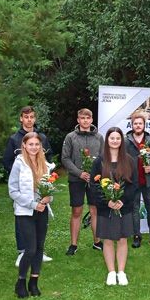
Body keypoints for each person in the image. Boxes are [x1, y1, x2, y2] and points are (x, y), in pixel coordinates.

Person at [2, 106, 54, 266]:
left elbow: (49, 158)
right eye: (26, 117)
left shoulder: (42, 138)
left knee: (40, 216)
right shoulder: (14, 139)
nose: (29, 119)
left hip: (39, 185)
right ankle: (22, 251)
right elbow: (7, 161)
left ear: (35, 118)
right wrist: (20, 176)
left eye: (32, 117)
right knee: (22, 217)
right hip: (22, 186)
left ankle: (39, 250)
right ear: (21, 119)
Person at [8, 132, 55, 298]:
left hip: (42, 211)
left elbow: (49, 188)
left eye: (37, 144)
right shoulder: (19, 163)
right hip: (25, 211)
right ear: (24, 146)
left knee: (40, 248)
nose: (34, 147)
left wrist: (48, 197)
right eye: (31, 144)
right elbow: (13, 191)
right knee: (30, 249)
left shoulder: (46, 165)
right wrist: (33, 204)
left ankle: (33, 281)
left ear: (41, 146)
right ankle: (20, 281)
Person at [91, 127, 137, 286]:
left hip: (124, 207)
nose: (115, 141)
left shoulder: (130, 160)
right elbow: (94, 185)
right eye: (112, 138)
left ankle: (121, 272)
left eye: (118, 138)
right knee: (108, 240)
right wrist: (107, 201)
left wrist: (122, 200)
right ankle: (111, 272)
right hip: (106, 207)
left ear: (121, 141)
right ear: (107, 140)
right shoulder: (100, 161)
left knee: (123, 239)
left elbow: (133, 185)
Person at [61, 108, 104, 255]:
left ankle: (97, 242)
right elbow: (65, 158)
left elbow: (103, 158)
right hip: (76, 179)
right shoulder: (70, 137)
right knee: (77, 211)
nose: (85, 121)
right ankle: (73, 245)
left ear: (92, 120)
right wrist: (80, 173)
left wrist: (94, 175)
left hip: (95, 180)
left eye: (88, 118)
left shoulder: (99, 137)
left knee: (95, 210)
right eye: (82, 118)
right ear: (78, 120)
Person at [125, 110, 150, 248]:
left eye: (140, 123)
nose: (138, 125)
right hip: (132, 182)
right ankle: (137, 236)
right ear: (132, 125)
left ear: (144, 125)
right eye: (135, 123)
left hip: (148, 182)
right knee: (134, 209)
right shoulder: (126, 141)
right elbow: (121, 160)